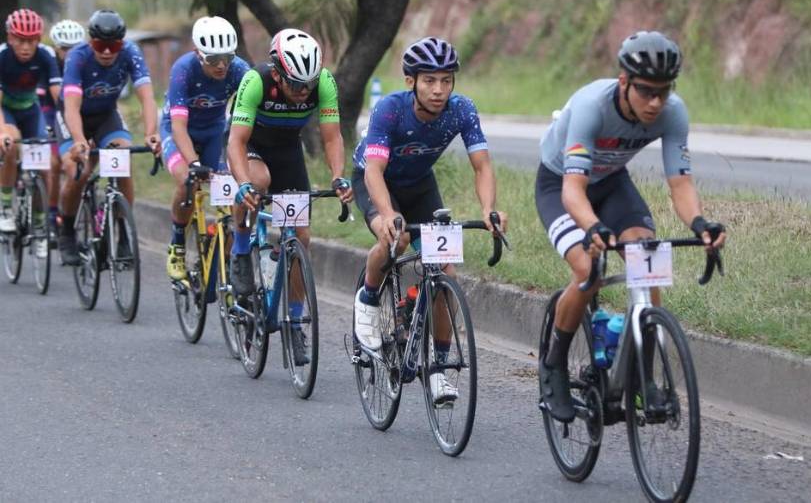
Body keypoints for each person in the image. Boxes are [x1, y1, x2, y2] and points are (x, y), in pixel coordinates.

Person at [535, 30, 727, 422]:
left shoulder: (674, 112)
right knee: (589, 270)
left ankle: (643, 377)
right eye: (646, 92)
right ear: (624, 82)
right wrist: (592, 227)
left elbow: (680, 183)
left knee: (647, 256)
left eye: (665, 91)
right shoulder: (592, 106)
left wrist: (700, 224)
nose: (656, 102)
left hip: (613, 184)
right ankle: (553, 365)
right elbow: (574, 191)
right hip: (561, 186)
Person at [351, 36, 507, 404]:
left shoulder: (462, 110)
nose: (439, 90)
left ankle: (438, 367)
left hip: (420, 186)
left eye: (446, 81)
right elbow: (374, 170)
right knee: (396, 240)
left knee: (445, 274)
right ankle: (368, 298)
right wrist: (388, 213)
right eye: (429, 81)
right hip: (376, 181)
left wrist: (488, 209)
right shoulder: (390, 109)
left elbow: (482, 165)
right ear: (411, 82)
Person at [226, 28, 352, 363]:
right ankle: (240, 248)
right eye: (295, 84)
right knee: (259, 180)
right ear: (278, 73)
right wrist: (242, 184)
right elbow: (236, 142)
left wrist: (338, 176)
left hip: (287, 150)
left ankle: (295, 322)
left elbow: (331, 137)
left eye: (308, 84)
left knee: (301, 237)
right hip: (252, 145)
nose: (302, 92)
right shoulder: (255, 81)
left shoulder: (322, 83)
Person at [56, 9, 161, 265]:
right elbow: (71, 107)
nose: (106, 52)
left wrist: (150, 134)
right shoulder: (77, 58)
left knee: (122, 159)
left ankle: (123, 231)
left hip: (105, 116)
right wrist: (79, 140)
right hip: (74, 117)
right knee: (76, 172)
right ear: (90, 42)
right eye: (100, 45)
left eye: (112, 45)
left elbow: (147, 97)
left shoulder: (130, 53)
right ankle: (67, 231)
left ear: (121, 43)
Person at [163, 16, 249, 281]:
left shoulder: (240, 70)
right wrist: (193, 163)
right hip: (178, 131)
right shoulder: (183, 70)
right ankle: (177, 244)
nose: (222, 65)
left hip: (213, 134)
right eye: (213, 59)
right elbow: (178, 126)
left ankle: (225, 258)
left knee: (231, 196)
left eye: (227, 57)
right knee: (187, 182)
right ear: (197, 55)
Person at [0, 9, 61, 256]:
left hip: (31, 110)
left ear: (39, 39)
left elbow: (59, 95)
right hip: (7, 110)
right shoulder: (3, 56)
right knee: (11, 144)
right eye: (20, 40)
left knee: (44, 165)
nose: (26, 47)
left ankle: (39, 223)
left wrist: (71, 126)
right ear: (10, 37)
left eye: (32, 41)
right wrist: (2, 130)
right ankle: (5, 206)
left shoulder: (45, 55)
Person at [39, 20, 87, 235]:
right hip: (49, 113)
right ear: (57, 48)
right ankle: (51, 212)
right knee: (53, 164)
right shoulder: (48, 64)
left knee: (81, 163)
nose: (70, 53)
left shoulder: (84, 63)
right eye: (65, 49)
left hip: (75, 113)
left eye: (75, 48)